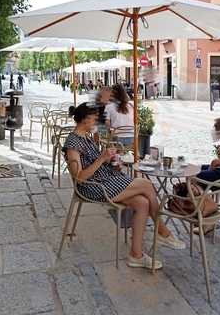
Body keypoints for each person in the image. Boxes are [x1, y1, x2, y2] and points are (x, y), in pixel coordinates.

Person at [63, 103, 185, 270]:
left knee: (143, 203)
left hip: (106, 179)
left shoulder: (86, 137)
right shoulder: (72, 143)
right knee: (147, 185)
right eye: (94, 119)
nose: (97, 122)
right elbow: (79, 178)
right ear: (85, 119)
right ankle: (162, 231)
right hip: (92, 187)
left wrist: (112, 162)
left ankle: (136, 256)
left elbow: (97, 164)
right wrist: (101, 159)